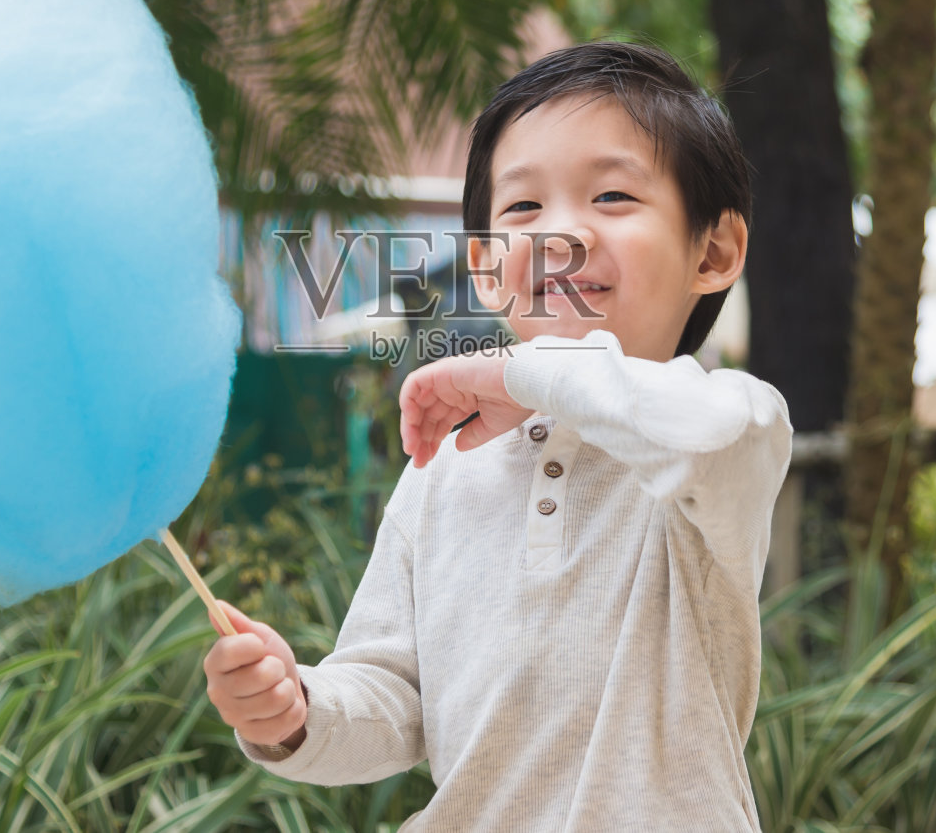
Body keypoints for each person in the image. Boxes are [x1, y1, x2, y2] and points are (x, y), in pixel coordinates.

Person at [202, 41, 794, 831]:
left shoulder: (722, 424)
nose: (560, 233)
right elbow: (393, 692)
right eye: (522, 209)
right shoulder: (445, 468)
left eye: (613, 195)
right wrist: (295, 709)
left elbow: (705, 431)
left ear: (713, 251)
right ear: (485, 269)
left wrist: (522, 373)